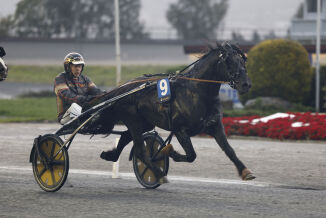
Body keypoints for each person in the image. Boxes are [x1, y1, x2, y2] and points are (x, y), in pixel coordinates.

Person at [54, 52, 104, 124]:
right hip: (65, 116)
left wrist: (105, 94)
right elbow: (68, 96)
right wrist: (88, 99)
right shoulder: (60, 79)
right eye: (75, 66)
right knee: (75, 107)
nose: (78, 69)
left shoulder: (85, 79)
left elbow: (95, 91)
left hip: (84, 111)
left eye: (80, 66)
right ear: (68, 67)